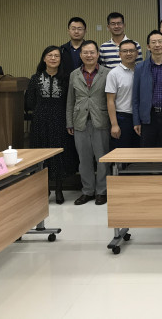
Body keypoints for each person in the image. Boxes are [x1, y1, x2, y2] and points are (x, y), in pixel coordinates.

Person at [25, 46, 75, 204]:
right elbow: (29, 101)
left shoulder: (66, 78)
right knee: (41, 154)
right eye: (50, 55)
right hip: (40, 121)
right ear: (44, 58)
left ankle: (59, 189)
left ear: (61, 60)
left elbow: (70, 101)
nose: (53, 58)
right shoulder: (35, 78)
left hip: (60, 120)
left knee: (59, 154)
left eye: (57, 56)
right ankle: (44, 188)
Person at [66, 41, 111, 206]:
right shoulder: (74, 74)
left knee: (102, 159)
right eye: (85, 52)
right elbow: (70, 100)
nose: (89, 55)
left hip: (101, 120)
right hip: (80, 122)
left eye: (92, 52)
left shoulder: (108, 73)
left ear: (98, 54)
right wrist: (69, 122)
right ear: (80, 55)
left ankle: (102, 191)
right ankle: (87, 191)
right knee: (84, 160)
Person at [132, 30, 162, 147]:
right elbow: (135, 97)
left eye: (160, 42)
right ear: (148, 46)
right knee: (147, 152)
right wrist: (136, 121)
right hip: (148, 116)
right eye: (153, 42)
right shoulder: (140, 68)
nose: (157, 45)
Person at [105, 39, 140, 150]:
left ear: (137, 53)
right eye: (125, 51)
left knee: (140, 152)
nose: (128, 54)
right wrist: (114, 125)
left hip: (140, 118)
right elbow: (110, 101)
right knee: (123, 152)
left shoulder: (141, 70)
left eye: (131, 51)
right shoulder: (114, 74)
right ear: (119, 54)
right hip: (123, 118)